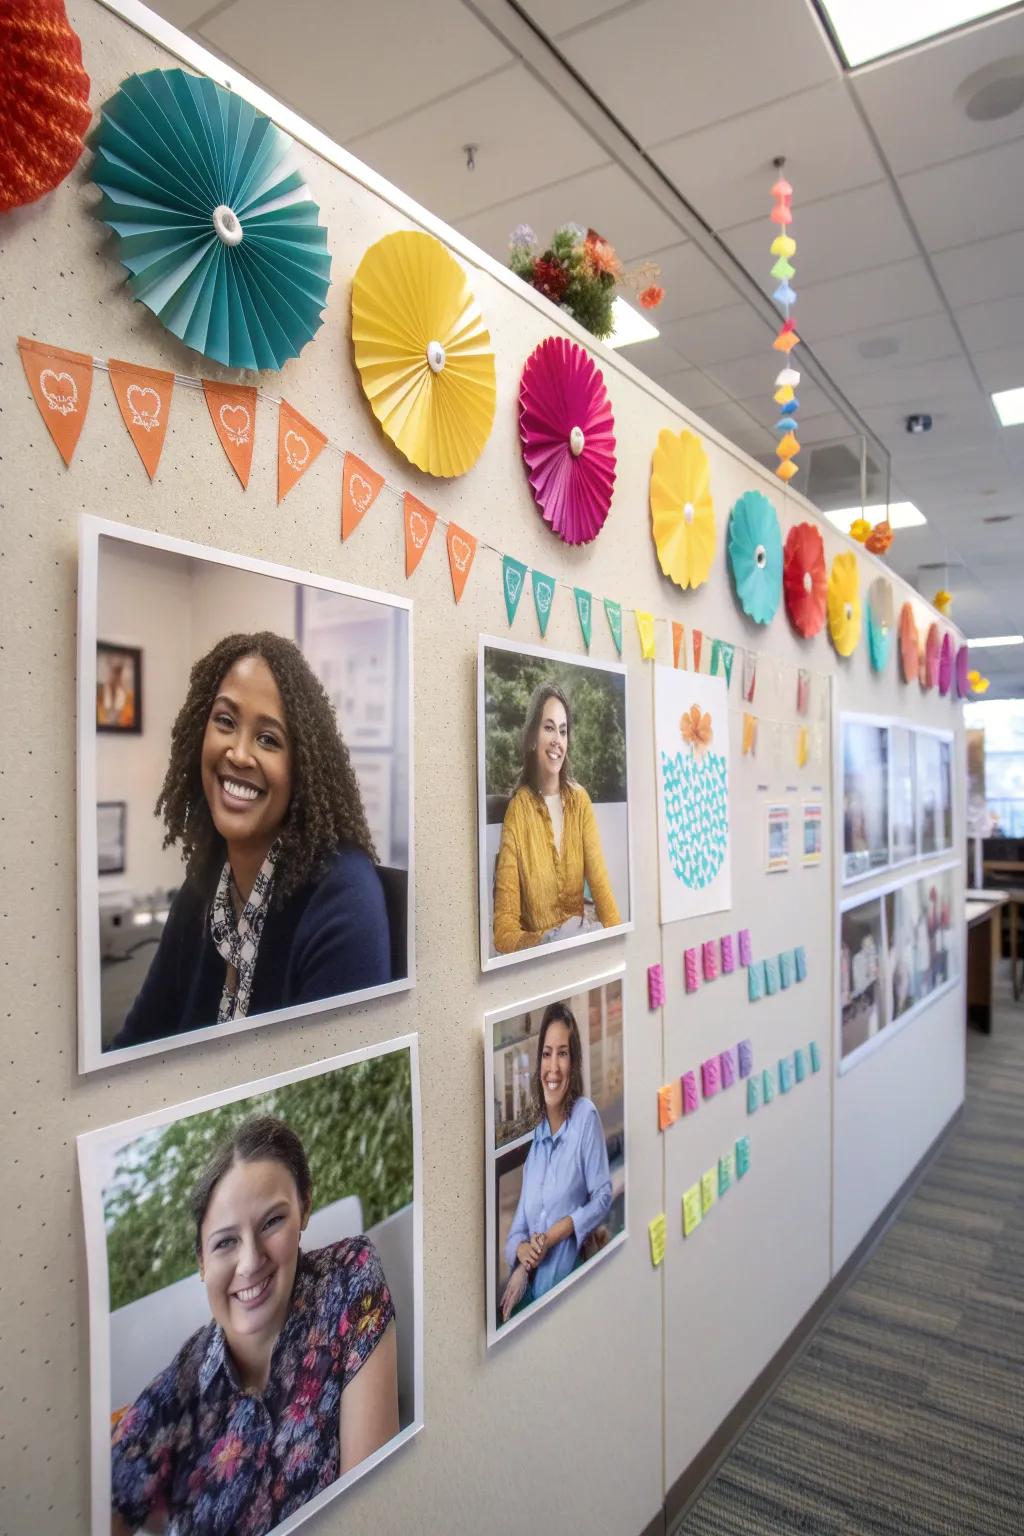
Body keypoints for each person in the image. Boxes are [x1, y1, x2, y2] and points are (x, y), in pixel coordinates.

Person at [110, 1115, 399, 1536]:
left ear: (305, 1207)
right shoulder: (171, 1396)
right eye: (225, 1242)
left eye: (272, 1222)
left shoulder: (349, 1278)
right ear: (201, 1262)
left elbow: (374, 1509)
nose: (250, 1263)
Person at [113, 632, 391, 1048]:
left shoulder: (343, 900)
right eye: (225, 721)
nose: (239, 754)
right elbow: (135, 1047)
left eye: (268, 739)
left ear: (302, 770)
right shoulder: (203, 889)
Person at [499, 1002, 612, 1324]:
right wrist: (521, 1258)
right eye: (547, 1054)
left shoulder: (584, 1117)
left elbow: (602, 1196)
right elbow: (516, 1233)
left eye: (562, 1053)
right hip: (530, 1300)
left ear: (573, 1062)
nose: (553, 1067)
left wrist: (550, 1237)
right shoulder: (536, 1144)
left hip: (569, 1299)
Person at [491, 682, 621, 954]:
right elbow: (503, 931)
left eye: (563, 731)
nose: (557, 741)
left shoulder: (580, 802)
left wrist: (618, 947)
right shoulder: (519, 812)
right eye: (548, 728)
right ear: (532, 737)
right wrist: (547, 941)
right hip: (538, 971)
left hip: (579, 961)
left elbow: (601, 889)